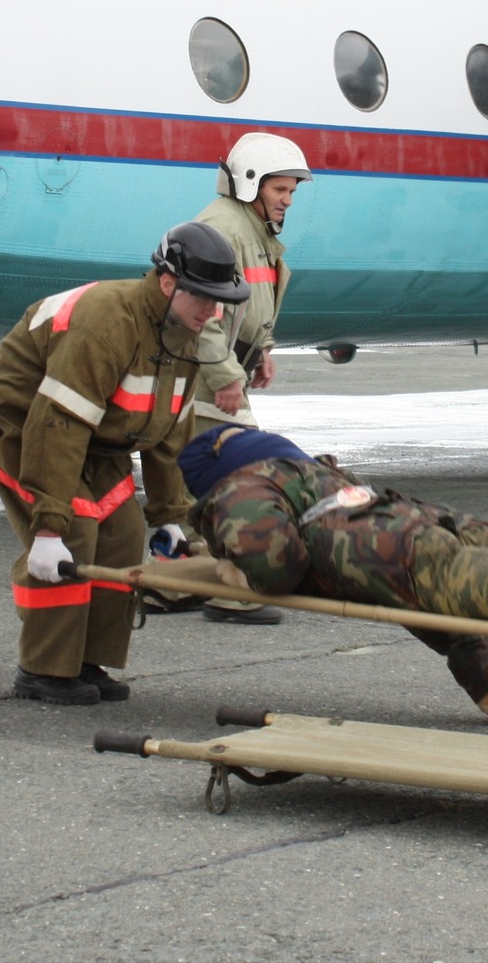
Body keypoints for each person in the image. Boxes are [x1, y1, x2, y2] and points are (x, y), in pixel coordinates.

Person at [178, 424, 488, 727]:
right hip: (430, 524)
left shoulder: (239, 488)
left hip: (399, 556)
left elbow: (273, 565)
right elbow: (421, 610)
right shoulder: (317, 474)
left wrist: (234, 574)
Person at [0, 222, 249, 705]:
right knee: (75, 531)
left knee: (122, 532)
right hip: (26, 426)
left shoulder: (180, 329)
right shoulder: (106, 323)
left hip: (97, 439)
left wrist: (169, 517)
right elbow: (57, 424)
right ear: (169, 284)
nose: (212, 312)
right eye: (204, 298)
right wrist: (47, 527)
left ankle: (87, 662)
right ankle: (43, 669)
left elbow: (169, 433)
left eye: (219, 301)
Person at [183, 132, 313, 625]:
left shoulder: (252, 230)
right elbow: (204, 315)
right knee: (244, 473)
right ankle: (232, 590)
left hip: (224, 365)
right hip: (205, 371)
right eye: (281, 190)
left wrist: (263, 351)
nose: (287, 200)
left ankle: (178, 584)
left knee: (197, 486)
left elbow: (250, 301)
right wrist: (224, 375)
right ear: (250, 184)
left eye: (291, 192)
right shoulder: (224, 228)